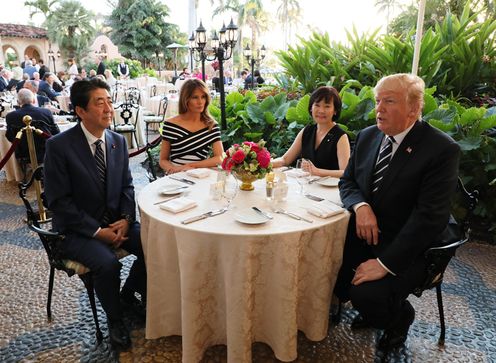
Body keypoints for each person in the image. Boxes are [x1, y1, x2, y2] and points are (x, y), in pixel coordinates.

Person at [334, 73, 460, 351]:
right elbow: (348, 181)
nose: (378, 108)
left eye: (389, 101)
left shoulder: (441, 149)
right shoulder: (368, 136)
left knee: (366, 293)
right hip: (370, 231)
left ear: (414, 108)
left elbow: (429, 218)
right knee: (331, 273)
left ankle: (399, 318)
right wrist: (361, 206)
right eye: (378, 100)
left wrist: (383, 264)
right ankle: (376, 311)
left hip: (415, 245)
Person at [43, 78, 147, 350]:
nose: (108, 108)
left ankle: (126, 295)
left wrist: (126, 219)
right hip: (76, 230)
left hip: (115, 222)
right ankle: (115, 321)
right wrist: (97, 232)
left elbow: (126, 185)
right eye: (99, 103)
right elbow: (58, 201)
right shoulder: (59, 146)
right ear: (80, 111)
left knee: (155, 243)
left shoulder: (116, 142)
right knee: (107, 263)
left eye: (109, 101)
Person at [272, 86, 350, 178]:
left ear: (335, 111)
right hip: (306, 186)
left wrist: (317, 171)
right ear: (311, 108)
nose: (321, 110)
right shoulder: (307, 131)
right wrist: (263, 163)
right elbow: (285, 160)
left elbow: (345, 172)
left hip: (330, 190)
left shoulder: (341, 136)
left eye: (327, 106)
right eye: (317, 105)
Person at [159, 78, 223, 174]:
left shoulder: (211, 125)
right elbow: (163, 160)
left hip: (200, 176)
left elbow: (219, 158)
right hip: (175, 176)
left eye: (203, 97)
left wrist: (191, 166)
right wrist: (174, 170)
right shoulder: (170, 125)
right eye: (195, 97)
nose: (200, 102)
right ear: (185, 99)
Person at [5, 89, 60, 164]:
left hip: (23, 153)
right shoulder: (46, 112)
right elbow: (56, 133)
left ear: (18, 102)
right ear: (33, 100)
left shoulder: (10, 116)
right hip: (46, 151)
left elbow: (10, 136)